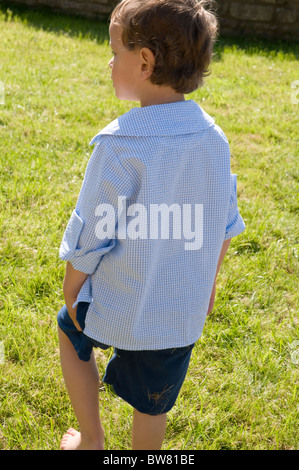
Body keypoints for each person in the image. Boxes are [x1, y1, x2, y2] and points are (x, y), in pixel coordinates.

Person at [57, 0, 245, 450]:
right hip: (180, 315)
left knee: (70, 331)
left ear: (144, 62)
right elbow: (224, 224)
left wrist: (73, 284)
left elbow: (92, 232)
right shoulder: (214, 140)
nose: (109, 62)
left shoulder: (120, 144)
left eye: (114, 50)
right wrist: (209, 286)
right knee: (153, 405)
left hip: (117, 303)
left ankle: (91, 440)